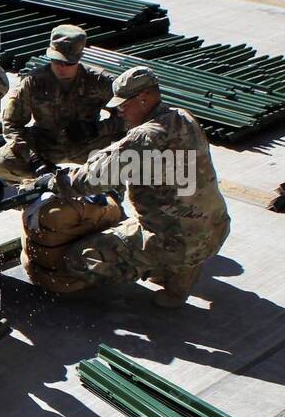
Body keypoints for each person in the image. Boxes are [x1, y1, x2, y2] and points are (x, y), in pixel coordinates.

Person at [45, 66, 231, 308]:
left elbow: (90, 179)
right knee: (180, 221)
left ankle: (164, 264)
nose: (120, 111)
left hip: (173, 239)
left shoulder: (145, 137)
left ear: (144, 99)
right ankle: (180, 276)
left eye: (123, 105)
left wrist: (52, 181)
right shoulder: (183, 117)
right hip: (214, 229)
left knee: (78, 259)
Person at [0, 24, 125, 180]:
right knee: (1, 161)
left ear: (79, 58)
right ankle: (40, 183)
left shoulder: (100, 81)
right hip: (46, 144)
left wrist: (96, 129)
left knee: (130, 150)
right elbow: (11, 124)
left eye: (68, 63)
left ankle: (109, 192)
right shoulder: (34, 81)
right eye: (56, 61)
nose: (61, 67)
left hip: (88, 144)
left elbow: (128, 117)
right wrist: (33, 158)